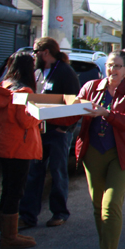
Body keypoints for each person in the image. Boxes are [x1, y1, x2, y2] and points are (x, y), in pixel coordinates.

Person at [76, 49, 125, 249]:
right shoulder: (90, 87)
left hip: (121, 154)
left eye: (116, 66)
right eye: (108, 65)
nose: (111, 70)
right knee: (98, 206)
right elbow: (72, 114)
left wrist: (106, 113)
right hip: (93, 152)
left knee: (111, 203)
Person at [19, 37, 81, 229]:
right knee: (34, 172)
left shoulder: (65, 72)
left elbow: (75, 103)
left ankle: (59, 212)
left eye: (36, 52)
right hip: (39, 131)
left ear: (45, 52)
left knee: (57, 171)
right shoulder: (37, 72)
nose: (34, 56)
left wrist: (67, 128)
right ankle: (28, 216)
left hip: (58, 132)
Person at [0, 54, 42, 249]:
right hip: (20, 148)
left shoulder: (4, 87)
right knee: (15, 191)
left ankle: (5, 233)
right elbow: (26, 120)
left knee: (8, 189)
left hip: (4, 144)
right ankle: (9, 237)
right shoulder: (24, 90)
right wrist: (40, 114)